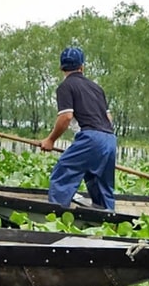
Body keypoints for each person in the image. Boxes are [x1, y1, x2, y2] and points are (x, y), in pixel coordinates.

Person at [39, 46, 118, 210]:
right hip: (110, 138)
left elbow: (66, 117)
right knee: (99, 181)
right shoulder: (97, 88)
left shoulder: (66, 87)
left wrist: (50, 140)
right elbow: (108, 117)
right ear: (82, 67)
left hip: (91, 137)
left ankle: (56, 215)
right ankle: (107, 215)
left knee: (62, 176)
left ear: (61, 67)